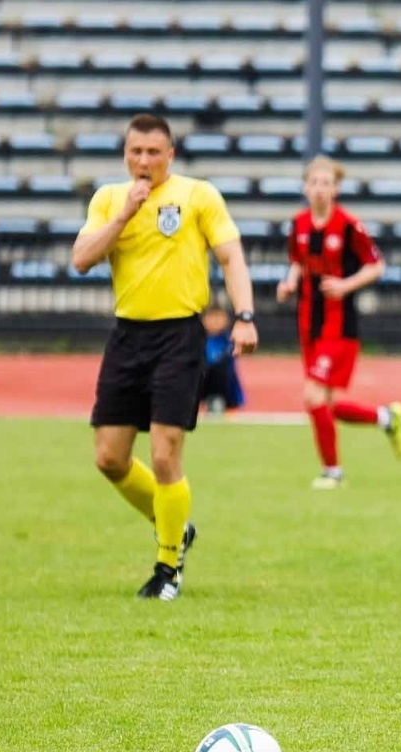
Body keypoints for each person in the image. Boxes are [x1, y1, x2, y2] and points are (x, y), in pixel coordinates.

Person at [71, 113, 257, 600]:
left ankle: (167, 568)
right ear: (125, 155)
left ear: (170, 155)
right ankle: (175, 526)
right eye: (136, 152)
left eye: (154, 152)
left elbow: (231, 256)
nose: (144, 161)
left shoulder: (198, 196)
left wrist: (245, 314)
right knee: (110, 458)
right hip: (128, 335)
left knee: (164, 450)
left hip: (180, 335)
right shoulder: (109, 199)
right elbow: (82, 258)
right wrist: (123, 216)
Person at [275, 155, 401, 490]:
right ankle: (385, 418)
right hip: (309, 322)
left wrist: (345, 285)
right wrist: (289, 282)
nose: (319, 189)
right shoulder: (299, 224)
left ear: (336, 189)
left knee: (313, 396)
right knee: (325, 403)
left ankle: (332, 472)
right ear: (305, 187)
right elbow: (296, 261)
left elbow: (376, 266)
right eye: (314, 182)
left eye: (326, 183)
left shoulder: (348, 225)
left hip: (339, 324)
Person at [198, 306, 246, 416]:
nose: (215, 322)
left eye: (218, 317)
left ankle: (219, 400)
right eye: (211, 317)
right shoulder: (197, 339)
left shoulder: (229, 339)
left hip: (223, 385)